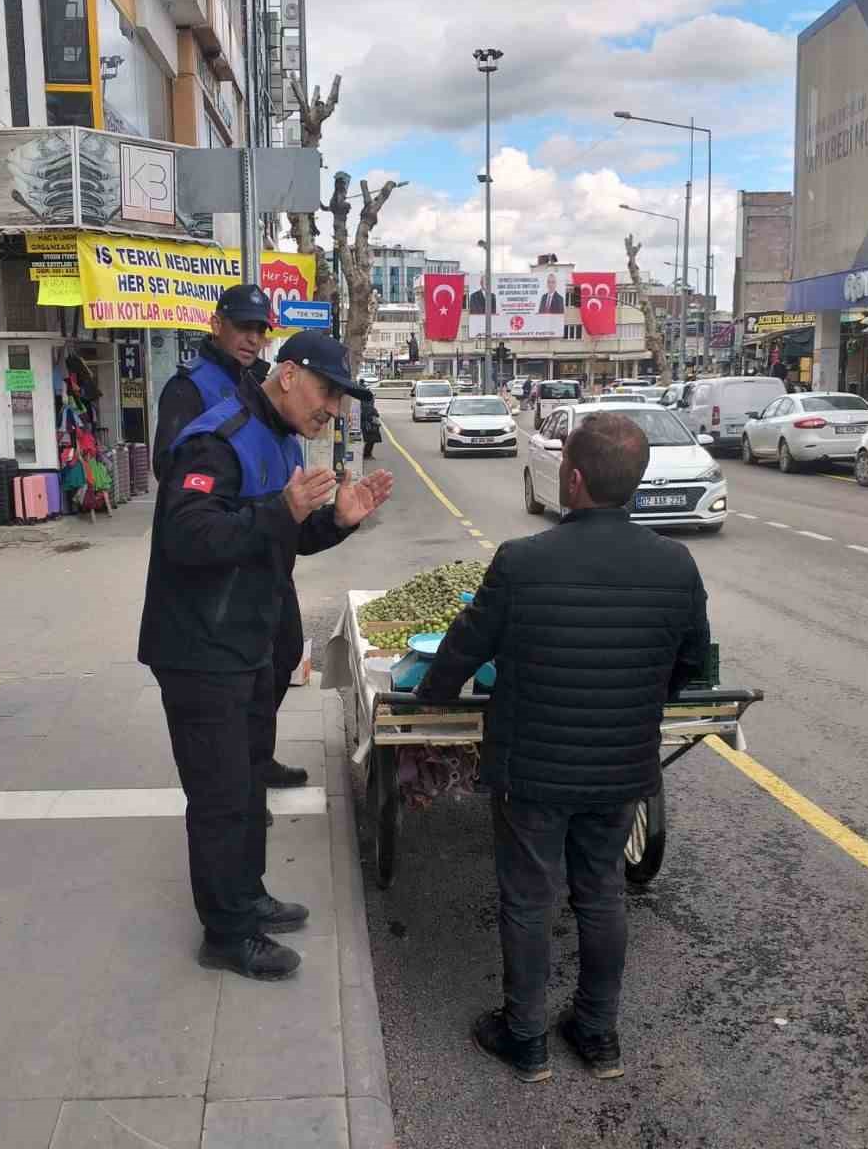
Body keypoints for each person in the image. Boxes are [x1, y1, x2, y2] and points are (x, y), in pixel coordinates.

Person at [416, 413, 710, 1083]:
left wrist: (431, 695)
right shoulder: (675, 564)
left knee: (528, 897)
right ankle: (597, 1034)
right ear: (633, 485)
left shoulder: (523, 561)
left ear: (572, 480)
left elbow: (464, 646)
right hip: (621, 767)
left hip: (533, 770)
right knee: (601, 892)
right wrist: (637, 701)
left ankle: (524, 1038)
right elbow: (692, 661)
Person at [140, 332, 393, 981]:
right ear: (286, 375)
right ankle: (225, 934)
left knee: (249, 785)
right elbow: (188, 538)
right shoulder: (215, 439)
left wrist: (336, 520)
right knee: (221, 797)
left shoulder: (281, 439)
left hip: (247, 645)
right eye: (327, 392)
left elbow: (279, 538)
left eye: (341, 399)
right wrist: (279, 509)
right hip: (201, 649)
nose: (334, 409)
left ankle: (246, 896)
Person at [153, 284, 311, 796]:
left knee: (282, 654)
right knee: (245, 673)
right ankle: (240, 775)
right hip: (222, 561)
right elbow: (173, 470)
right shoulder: (191, 388)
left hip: (266, 554)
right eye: (243, 327)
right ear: (216, 323)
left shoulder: (254, 384)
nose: (252, 339)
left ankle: (256, 760)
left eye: (261, 330)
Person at [360, 389, 381, 460]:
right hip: (369, 425)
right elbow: (369, 412)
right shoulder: (367, 404)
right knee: (370, 440)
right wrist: (375, 414)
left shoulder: (365, 403)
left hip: (369, 424)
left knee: (370, 440)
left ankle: (367, 454)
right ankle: (367, 454)